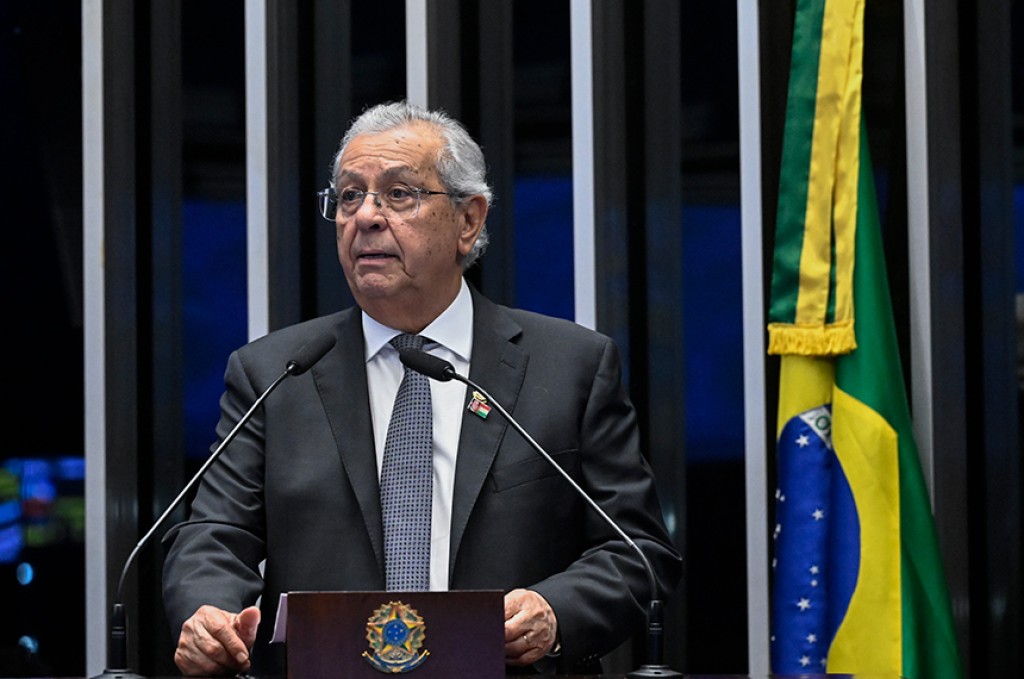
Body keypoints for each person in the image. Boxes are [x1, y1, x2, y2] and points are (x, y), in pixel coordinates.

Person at [162, 100, 682, 676]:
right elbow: (213, 535)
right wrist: (208, 610)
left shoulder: (569, 367)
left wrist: (555, 612)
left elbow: (637, 551)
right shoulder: (276, 373)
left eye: (398, 194)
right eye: (349, 196)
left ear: (468, 220)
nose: (366, 216)